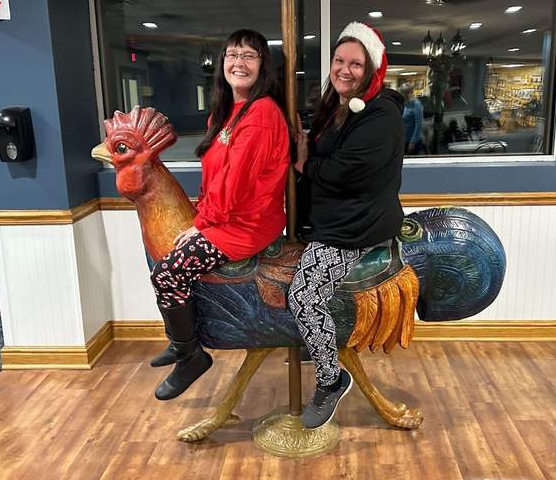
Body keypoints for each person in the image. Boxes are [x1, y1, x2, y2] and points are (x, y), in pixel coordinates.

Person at [149, 29, 290, 400]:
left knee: (167, 273)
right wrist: (202, 214)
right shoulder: (226, 111)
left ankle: (191, 356)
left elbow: (236, 186)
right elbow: (213, 176)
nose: (238, 63)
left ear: (263, 67)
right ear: (222, 64)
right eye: (232, 55)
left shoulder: (260, 114)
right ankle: (181, 344)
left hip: (247, 225)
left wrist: (201, 225)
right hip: (225, 217)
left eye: (249, 56)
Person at [288, 22, 404, 429]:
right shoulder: (337, 104)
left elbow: (345, 171)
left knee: (303, 296)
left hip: (355, 225)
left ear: (371, 69)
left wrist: (305, 164)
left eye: (355, 63)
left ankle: (330, 380)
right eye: (339, 60)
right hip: (332, 218)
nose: (345, 69)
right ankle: (316, 343)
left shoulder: (381, 114)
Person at [399, 82, 424, 154]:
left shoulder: (416, 104)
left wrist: (413, 142)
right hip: (403, 140)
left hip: (413, 141)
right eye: (403, 92)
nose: (404, 94)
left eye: (407, 92)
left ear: (411, 92)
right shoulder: (402, 104)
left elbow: (418, 125)